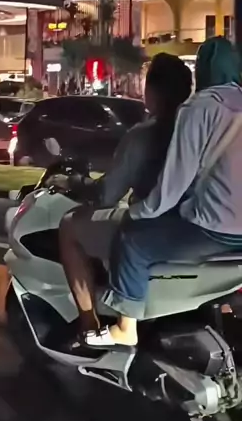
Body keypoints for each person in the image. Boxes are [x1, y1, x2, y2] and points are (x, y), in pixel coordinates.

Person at [86, 36, 242, 348]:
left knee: (132, 241)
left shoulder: (199, 108)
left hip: (213, 228)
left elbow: (172, 185)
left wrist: (135, 213)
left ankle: (125, 327)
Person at [60, 54, 193, 339]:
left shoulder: (142, 136)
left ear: (152, 92)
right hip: (197, 227)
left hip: (155, 225)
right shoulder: (200, 130)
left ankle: (89, 327)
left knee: (70, 225)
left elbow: (109, 194)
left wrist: (75, 183)